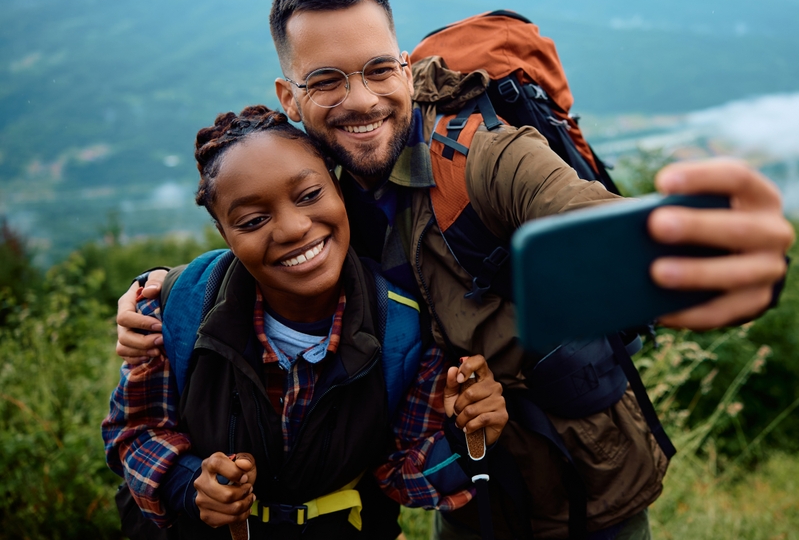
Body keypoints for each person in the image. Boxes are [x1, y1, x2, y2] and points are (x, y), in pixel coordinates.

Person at [116, 0, 795, 539]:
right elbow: (263, 233)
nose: (361, 101)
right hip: (459, 477)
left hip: (582, 470)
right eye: (327, 81)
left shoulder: (481, 158)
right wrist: (161, 291)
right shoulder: (320, 179)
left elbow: (585, 215)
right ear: (290, 97)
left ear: (404, 69)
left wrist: (710, 252)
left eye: (380, 70)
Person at [103, 105, 508, 538]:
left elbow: (401, 472)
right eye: (254, 221)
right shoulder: (173, 310)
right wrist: (191, 486)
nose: (294, 228)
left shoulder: (402, 327)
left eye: (310, 195)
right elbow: (136, 432)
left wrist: (467, 435)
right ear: (224, 234)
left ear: (337, 188)